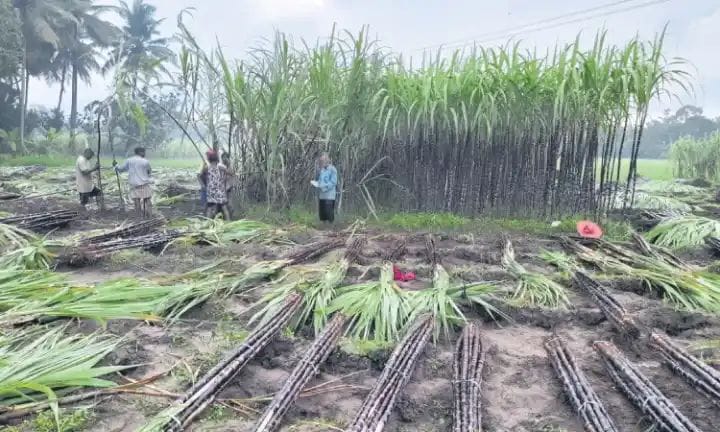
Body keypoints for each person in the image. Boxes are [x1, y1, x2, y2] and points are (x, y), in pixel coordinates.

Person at [114, 147, 153, 218]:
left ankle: (139, 217)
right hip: (144, 184)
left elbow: (121, 169)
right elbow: (149, 172)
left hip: (134, 185)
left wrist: (116, 166)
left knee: (137, 202)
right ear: (141, 152)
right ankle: (150, 216)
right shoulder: (145, 161)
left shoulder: (129, 160)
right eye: (144, 152)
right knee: (147, 201)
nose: (145, 154)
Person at [199, 150, 231, 220]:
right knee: (224, 207)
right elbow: (229, 172)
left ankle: (208, 222)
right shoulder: (220, 167)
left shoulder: (207, 167)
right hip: (220, 191)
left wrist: (203, 185)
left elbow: (200, 175)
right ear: (217, 159)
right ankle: (228, 222)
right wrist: (225, 176)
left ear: (209, 159)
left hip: (211, 191)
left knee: (210, 208)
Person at [311, 152, 338, 224]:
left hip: (330, 195)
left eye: (323, 160)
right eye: (321, 161)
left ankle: (331, 227)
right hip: (322, 195)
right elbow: (320, 181)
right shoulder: (322, 170)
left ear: (327, 160)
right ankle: (323, 228)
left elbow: (333, 182)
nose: (322, 162)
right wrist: (316, 183)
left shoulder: (333, 169)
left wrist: (324, 186)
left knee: (329, 212)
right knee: (323, 214)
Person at [220, 151, 236, 219]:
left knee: (230, 204)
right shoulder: (219, 166)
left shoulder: (230, 166)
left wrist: (226, 168)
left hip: (229, 187)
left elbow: (232, 173)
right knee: (223, 204)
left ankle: (231, 217)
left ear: (228, 158)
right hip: (222, 187)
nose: (224, 159)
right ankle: (226, 217)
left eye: (226, 157)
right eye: (223, 157)